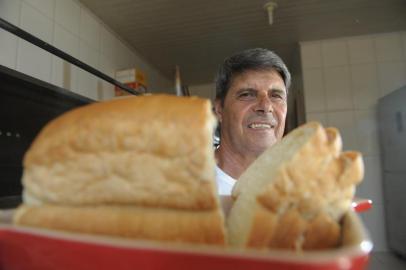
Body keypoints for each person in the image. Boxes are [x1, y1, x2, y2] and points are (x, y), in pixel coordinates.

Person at [214, 48, 291, 195]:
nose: (265, 106)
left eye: (276, 96)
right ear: (219, 109)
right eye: (247, 94)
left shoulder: (302, 188)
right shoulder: (183, 186)